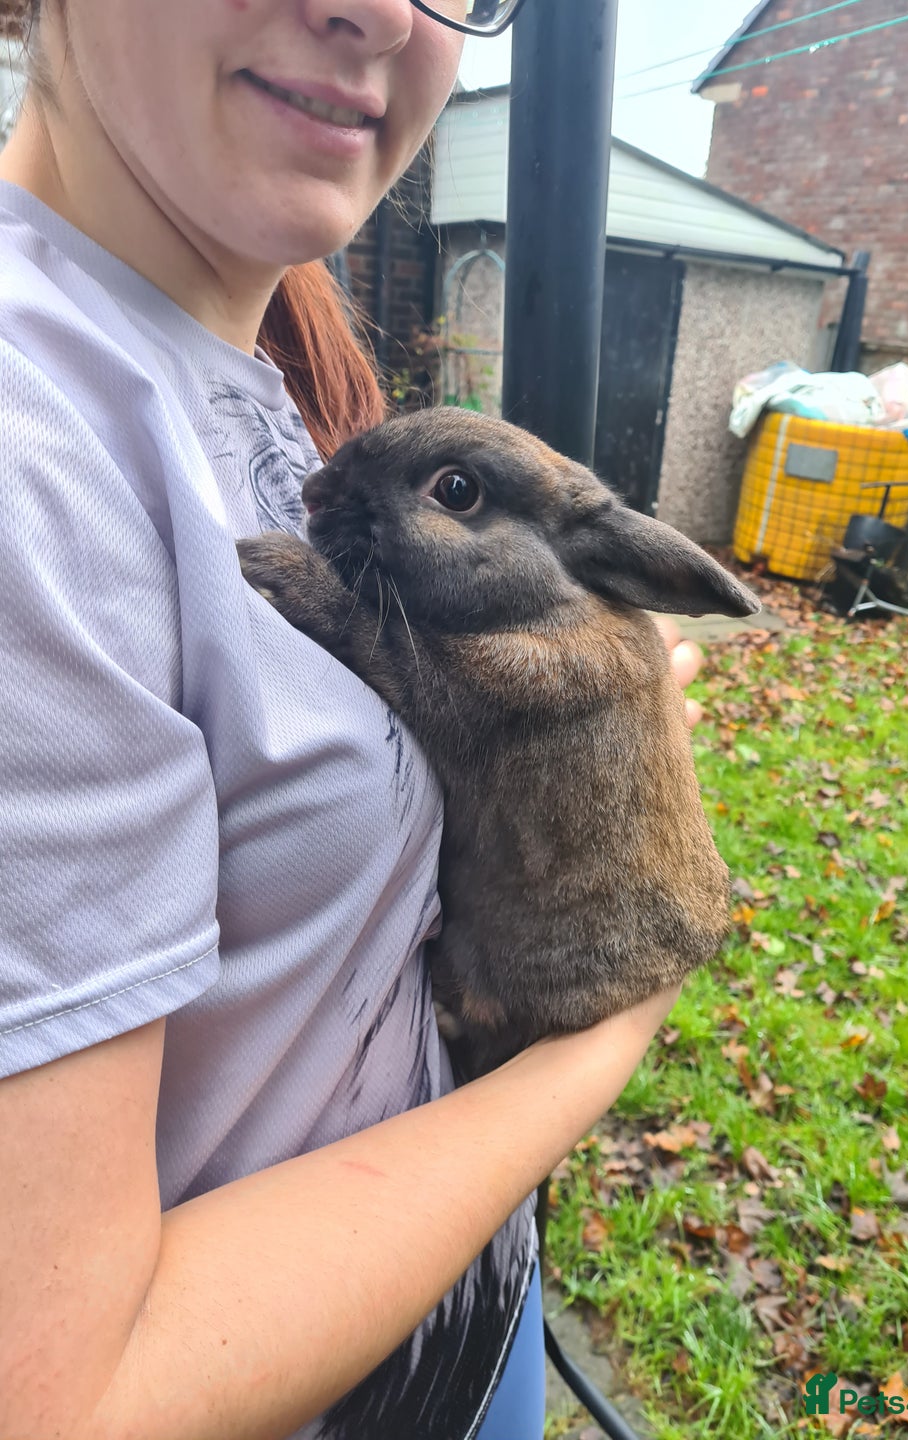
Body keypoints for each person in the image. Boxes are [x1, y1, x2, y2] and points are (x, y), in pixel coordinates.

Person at [0, 2, 702, 1437]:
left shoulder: (236, 369)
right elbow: (64, 1398)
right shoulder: (32, 456)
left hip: (449, 1300)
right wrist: (603, 1038)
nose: (381, 8)